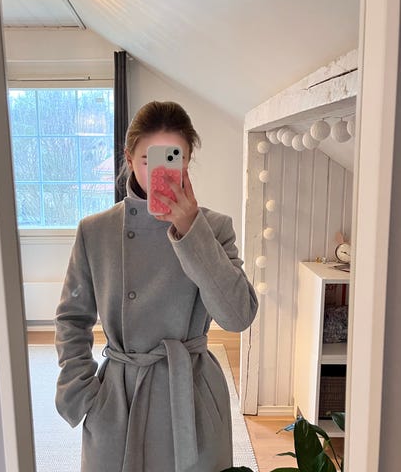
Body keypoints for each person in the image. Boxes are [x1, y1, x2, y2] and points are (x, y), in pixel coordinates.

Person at [55, 101, 258, 472]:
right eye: (148, 160)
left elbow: (238, 316)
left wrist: (192, 232)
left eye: (172, 158)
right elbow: (72, 318)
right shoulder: (95, 230)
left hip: (192, 396)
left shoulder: (214, 228)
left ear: (187, 161)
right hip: (118, 400)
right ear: (129, 158)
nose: (159, 172)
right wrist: (82, 391)